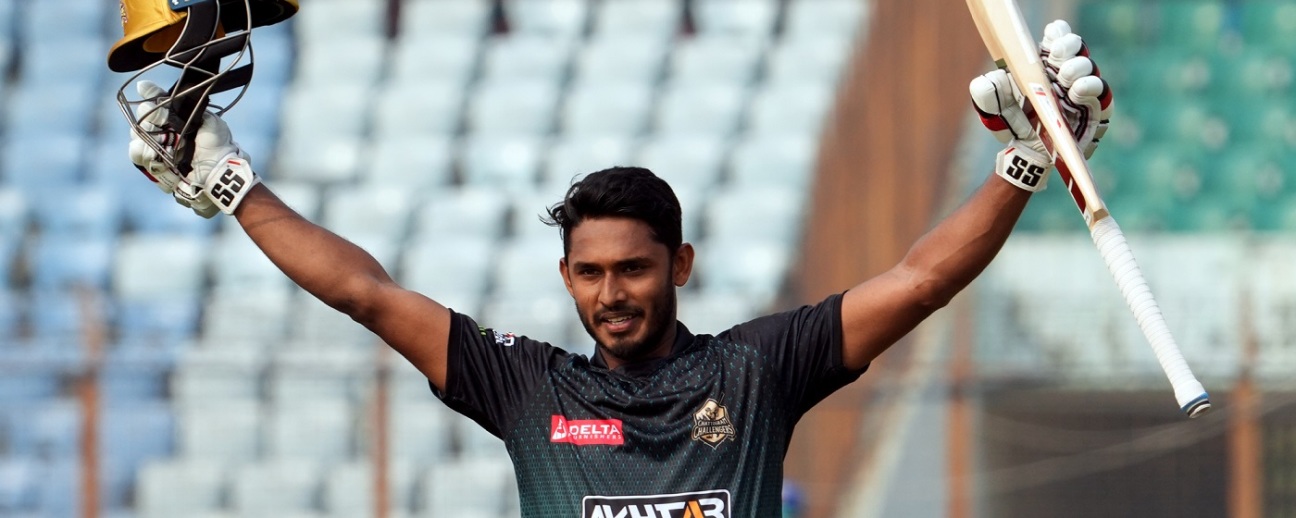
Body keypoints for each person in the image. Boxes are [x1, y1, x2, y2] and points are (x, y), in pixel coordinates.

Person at [126, 20, 1110, 517]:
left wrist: (1024, 166)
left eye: (633, 269)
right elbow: (366, 294)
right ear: (566, 277)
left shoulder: (755, 370)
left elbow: (920, 280)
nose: (612, 294)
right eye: (590, 272)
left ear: (680, 264)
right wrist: (233, 185)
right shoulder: (525, 384)